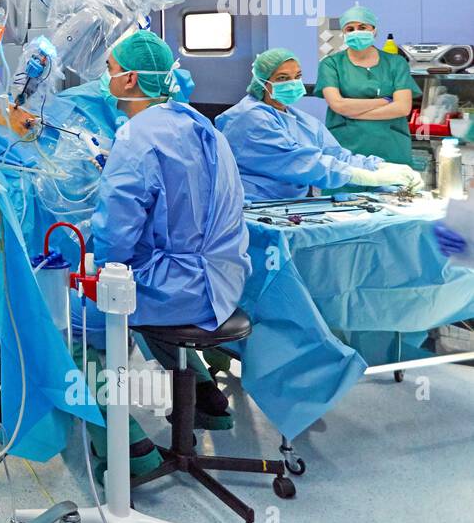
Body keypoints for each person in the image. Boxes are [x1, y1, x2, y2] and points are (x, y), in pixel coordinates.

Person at [82, 31, 253, 472]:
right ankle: (206, 399)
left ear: (130, 79)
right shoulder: (199, 123)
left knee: (73, 320)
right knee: (142, 294)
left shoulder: (137, 135)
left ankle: (128, 448)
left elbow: (116, 238)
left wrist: (93, 264)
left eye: (110, 70)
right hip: (224, 278)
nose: (106, 78)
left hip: (182, 288)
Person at [217, 48, 419, 201]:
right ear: (262, 82)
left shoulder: (301, 120)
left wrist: (379, 166)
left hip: (287, 204)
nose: (293, 83)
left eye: (297, 77)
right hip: (252, 205)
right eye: (282, 78)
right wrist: (369, 178)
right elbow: (300, 162)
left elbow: (337, 155)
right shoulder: (248, 118)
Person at [315, 6, 422, 167]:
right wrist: (384, 101)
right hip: (347, 147)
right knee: (348, 181)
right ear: (344, 33)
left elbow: (402, 108)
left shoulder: (396, 63)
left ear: (374, 30)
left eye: (362, 27)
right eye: (350, 29)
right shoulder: (331, 64)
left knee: (391, 183)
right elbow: (338, 105)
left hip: (391, 147)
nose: (356, 32)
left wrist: (351, 113)